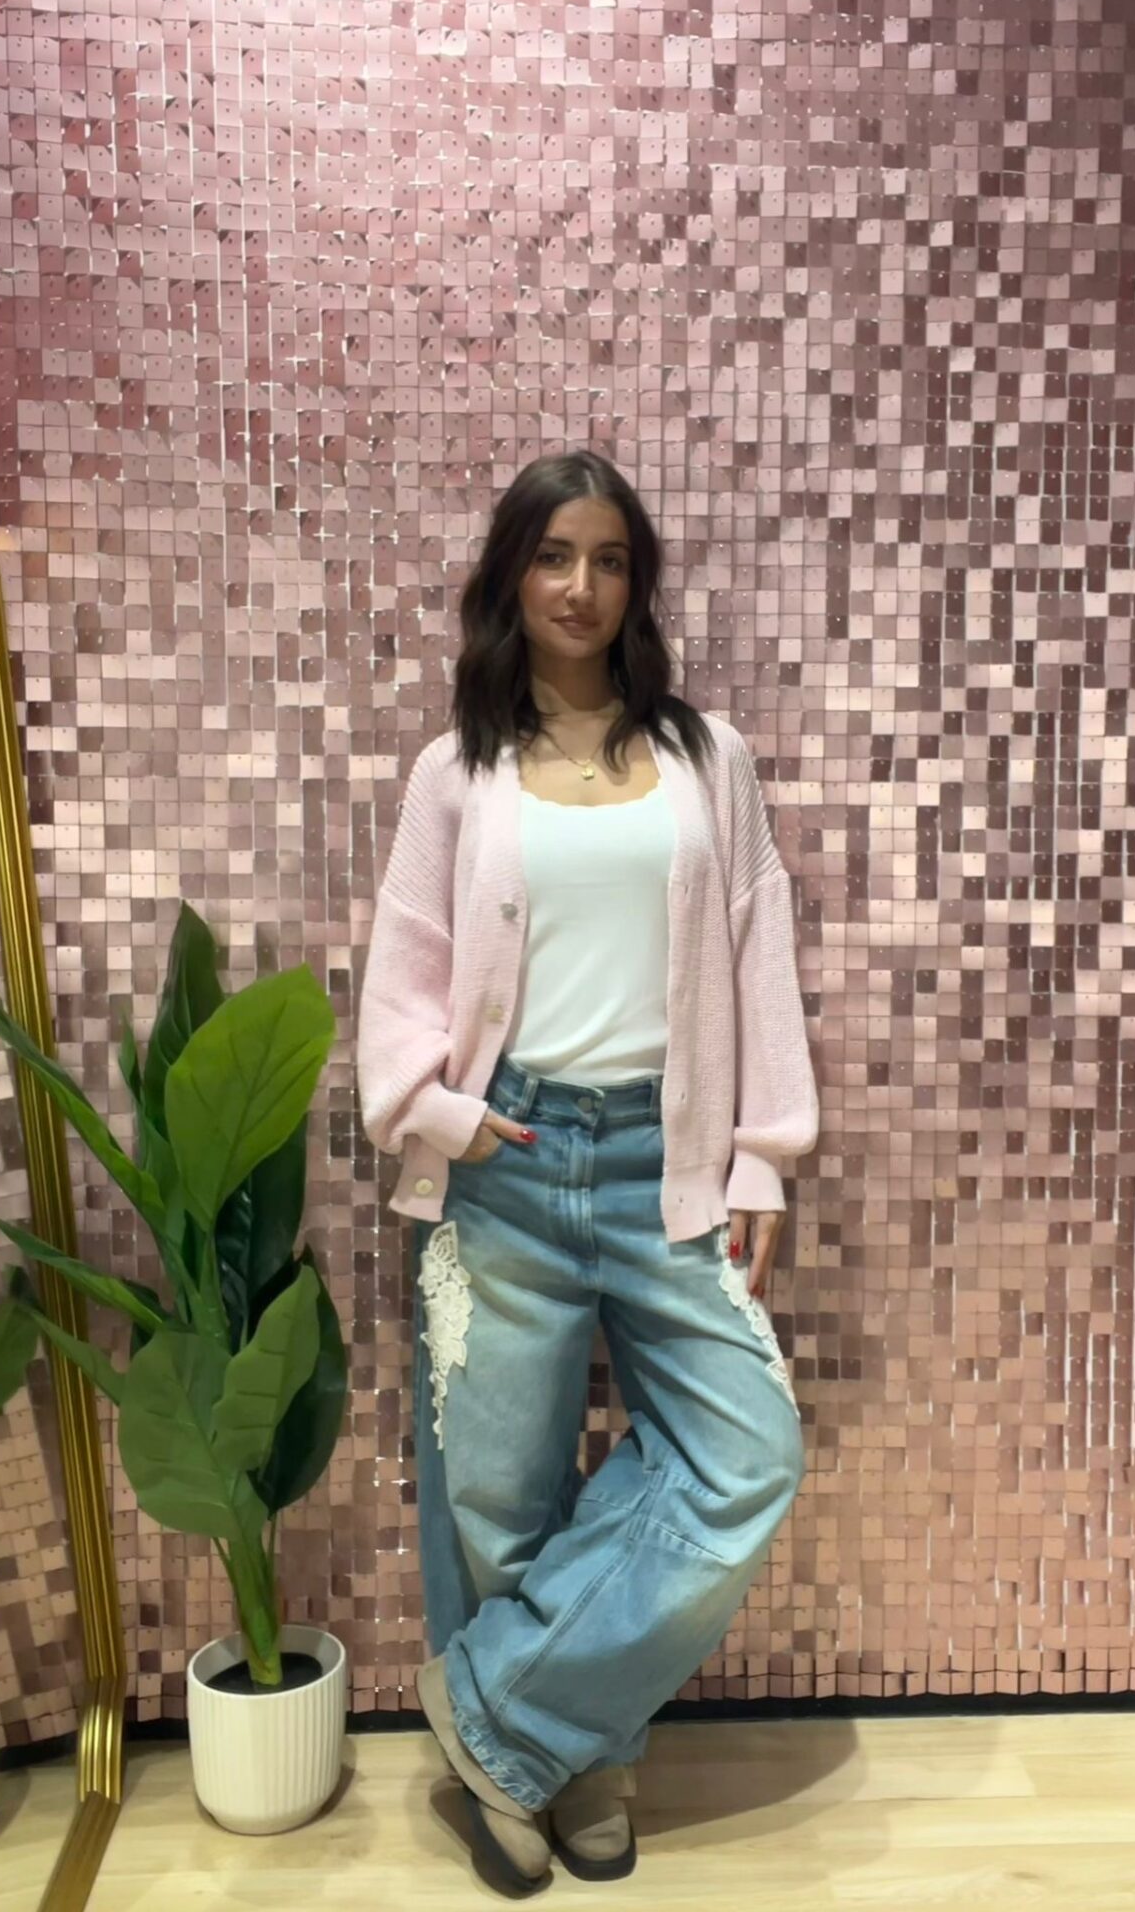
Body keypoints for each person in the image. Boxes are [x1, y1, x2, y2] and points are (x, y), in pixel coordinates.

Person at [356, 449, 819, 1892]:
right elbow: (407, 959)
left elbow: (756, 951)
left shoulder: (706, 759)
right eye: (554, 557)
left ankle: (503, 1718)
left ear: (638, 583)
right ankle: (577, 1764)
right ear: (512, 576)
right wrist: (433, 1110)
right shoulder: (459, 769)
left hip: (663, 1163)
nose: (581, 586)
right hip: (506, 1160)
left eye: (609, 559)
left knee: (746, 1454)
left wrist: (762, 1161)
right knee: (498, 1493)